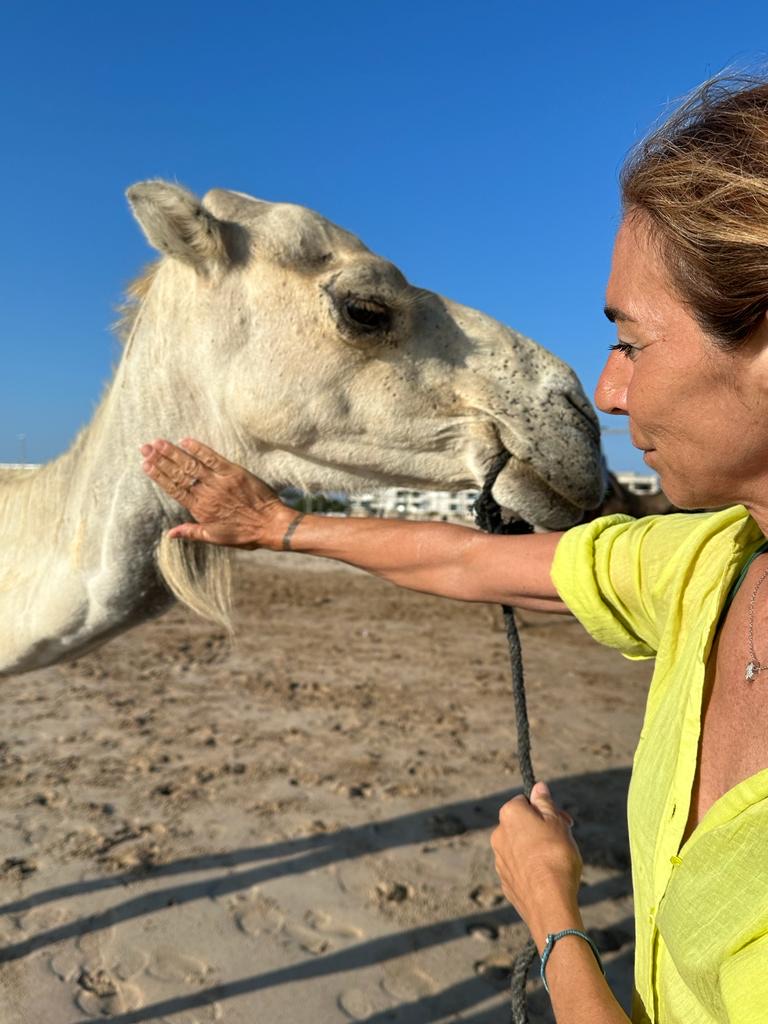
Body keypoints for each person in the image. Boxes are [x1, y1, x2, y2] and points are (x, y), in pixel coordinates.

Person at [140, 75, 768, 1024]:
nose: (603, 392)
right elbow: (471, 561)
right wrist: (278, 526)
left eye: (632, 345)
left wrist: (555, 922)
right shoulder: (709, 566)